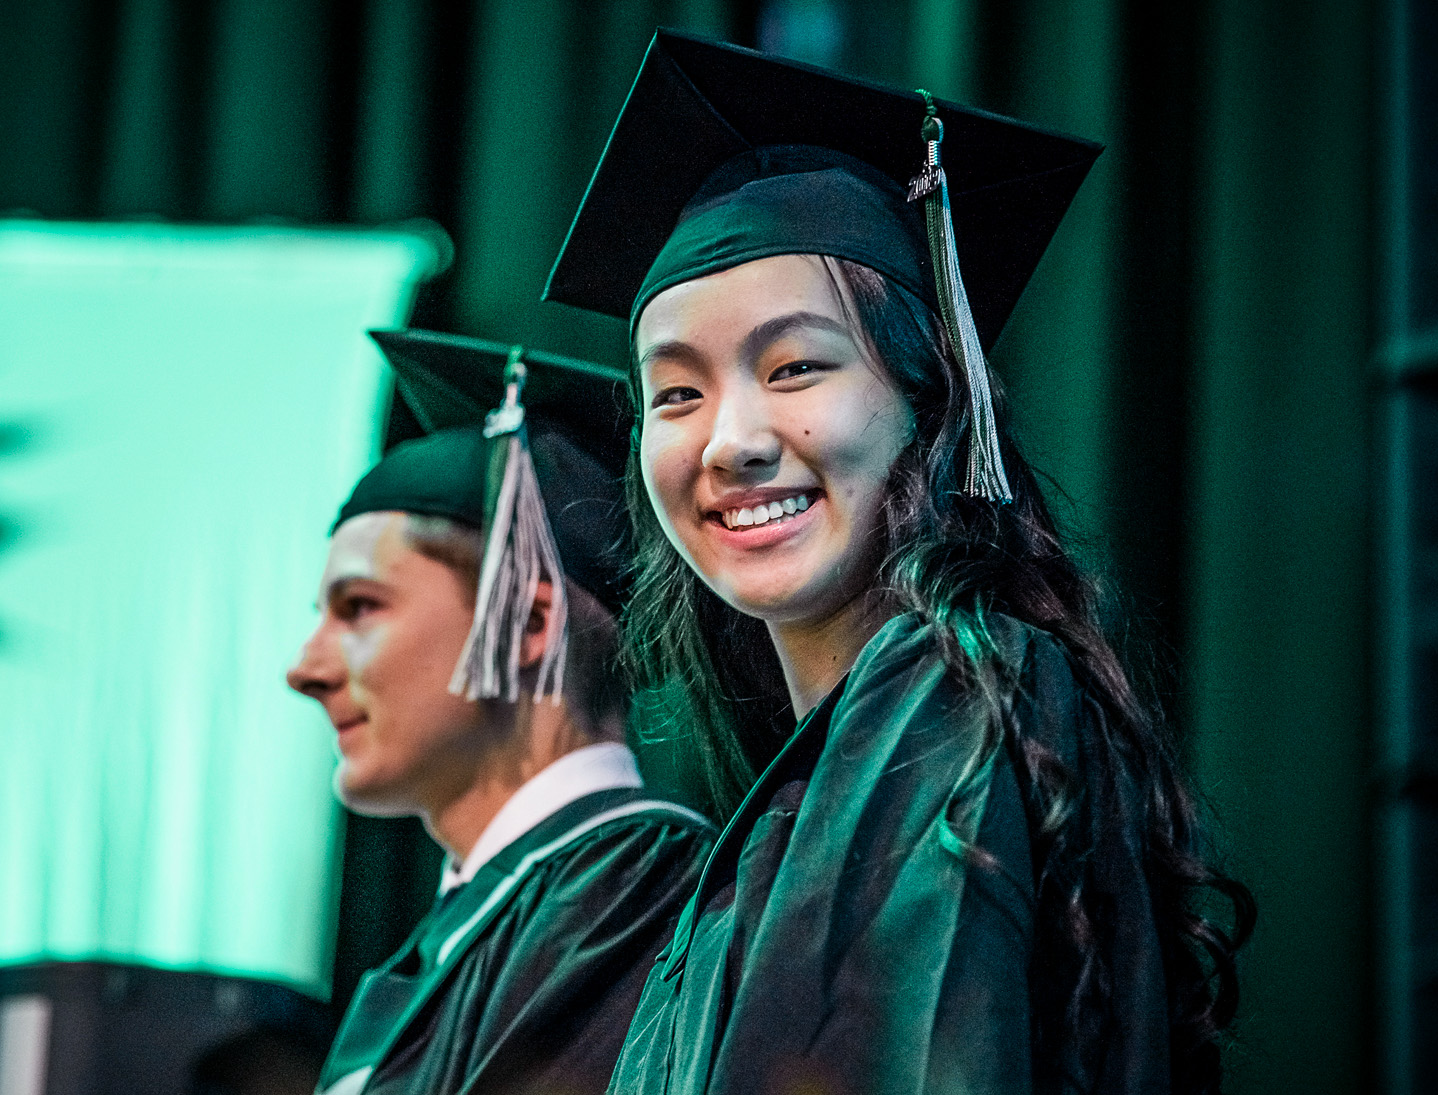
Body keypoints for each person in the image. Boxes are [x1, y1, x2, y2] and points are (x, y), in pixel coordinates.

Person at [543, 32, 1253, 1095]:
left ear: (930, 400)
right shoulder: (835, 758)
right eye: (676, 393)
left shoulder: (945, 694)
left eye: (795, 367)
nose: (730, 439)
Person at [288, 329, 712, 1095]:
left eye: (359, 608)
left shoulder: (628, 888)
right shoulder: (466, 924)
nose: (304, 668)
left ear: (523, 623)